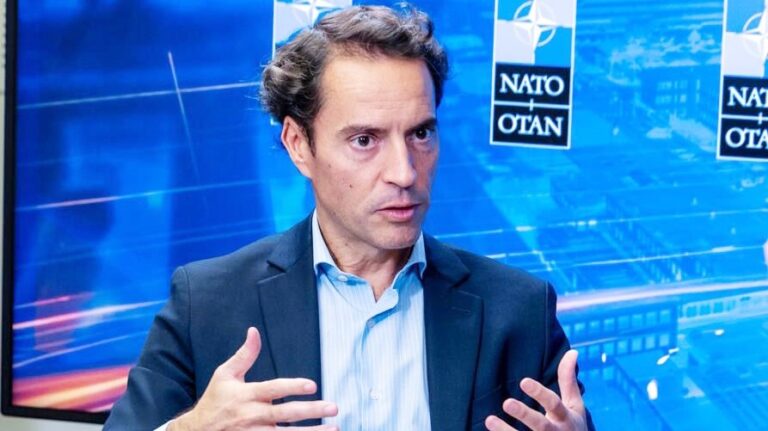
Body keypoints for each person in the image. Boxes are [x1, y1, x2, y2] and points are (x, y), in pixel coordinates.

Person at [104, 5, 595, 431]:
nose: (404, 172)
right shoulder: (208, 303)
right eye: (365, 140)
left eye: (421, 134)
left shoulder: (520, 310)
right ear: (298, 144)